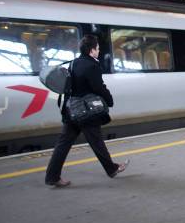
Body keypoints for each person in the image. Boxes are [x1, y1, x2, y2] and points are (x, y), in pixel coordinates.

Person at [45, 35, 128, 187]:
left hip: (72, 111)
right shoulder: (92, 66)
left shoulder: (74, 63)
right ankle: (112, 169)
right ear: (91, 50)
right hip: (86, 112)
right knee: (97, 142)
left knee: (63, 144)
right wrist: (110, 100)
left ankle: (52, 176)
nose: (99, 51)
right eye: (97, 49)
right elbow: (99, 87)